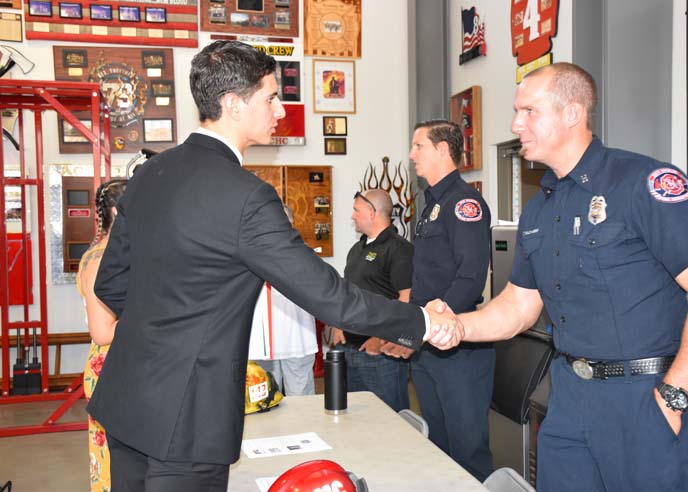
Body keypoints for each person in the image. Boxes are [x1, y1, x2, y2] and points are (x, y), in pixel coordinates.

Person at [88, 40, 460, 492]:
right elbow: (330, 298)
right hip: (187, 419)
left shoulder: (148, 175)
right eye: (270, 98)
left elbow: (111, 285)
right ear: (232, 105)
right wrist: (420, 320)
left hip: (127, 401)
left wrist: (165, 333)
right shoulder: (245, 196)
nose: (280, 111)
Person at [456, 62, 688, 491]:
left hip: (644, 398)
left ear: (572, 113)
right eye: (517, 112)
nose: (516, 124)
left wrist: (674, 397)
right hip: (569, 395)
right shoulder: (540, 207)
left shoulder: (643, 184)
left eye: (529, 111)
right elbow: (516, 307)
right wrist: (452, 325)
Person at [394, 119, 495, 482]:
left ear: (442, 150)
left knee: (467, 450)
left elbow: (470, 276)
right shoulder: (430, 204)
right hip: (429, 344)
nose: (411, 155)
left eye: (418, 146)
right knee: (437, 445)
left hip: (459, 347)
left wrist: (438, 322)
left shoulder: (464, 203)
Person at [332, 189, 413, 412]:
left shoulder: (399, 249)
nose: (352, 216)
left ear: (372, 212)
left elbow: (406, 300)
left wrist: (380, 338)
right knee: (358, 423)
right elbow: (347, 292)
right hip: (350, 350)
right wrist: (338, 325)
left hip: (381, 355)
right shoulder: (356, 249)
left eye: (356, 210)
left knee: (391, 423)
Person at [76, 178, 127, 492]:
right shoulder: (99, 260)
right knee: (112, 463)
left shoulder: (118, 253)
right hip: (110, 368)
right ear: (116, 212)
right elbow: (102, 331)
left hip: (127, 363)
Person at [249, 205, 318, 396]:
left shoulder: (304, 254)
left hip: (297, 339)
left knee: (301, 398)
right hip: (261, 342)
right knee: (263, 397)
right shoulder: (251, 253)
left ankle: (304, 428)